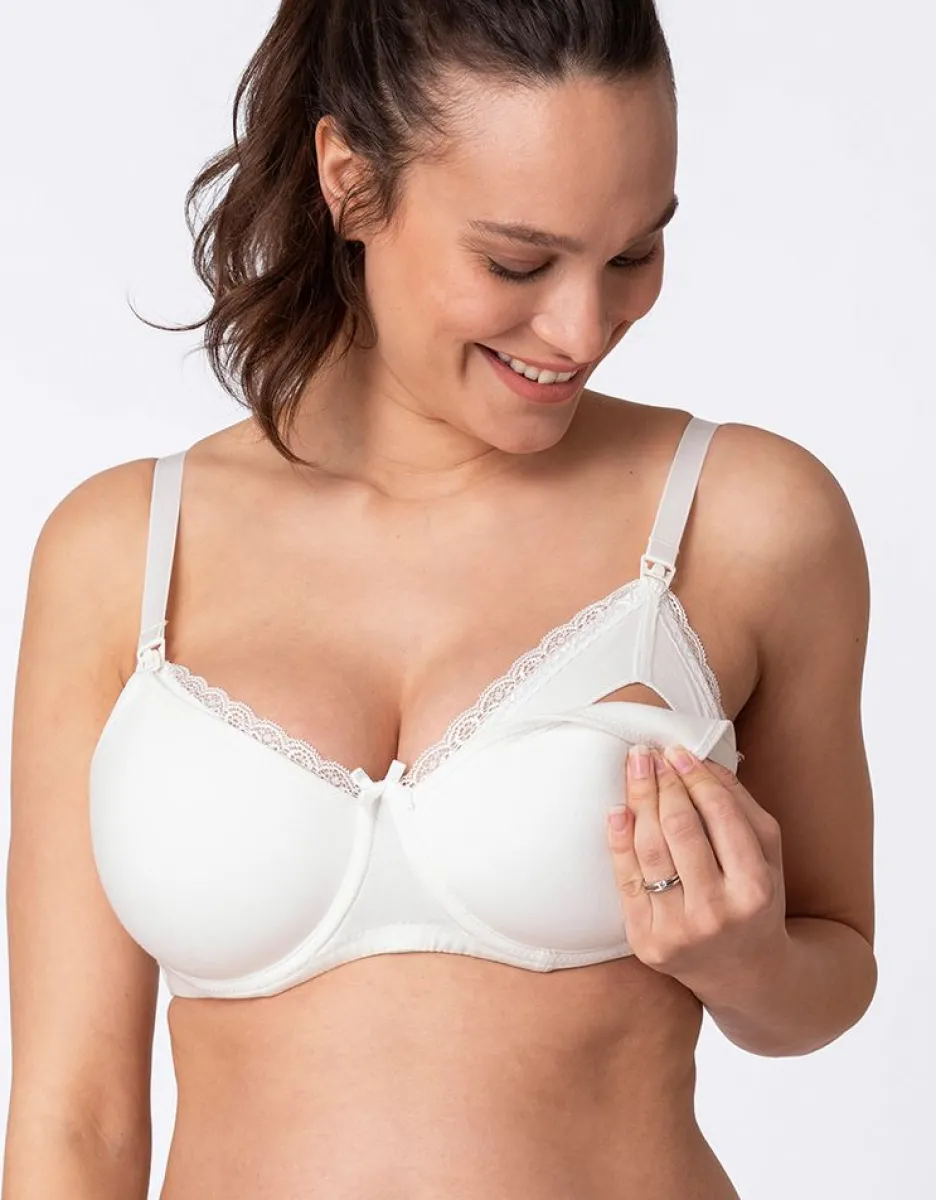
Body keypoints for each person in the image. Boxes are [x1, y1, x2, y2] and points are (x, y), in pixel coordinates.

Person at [3, 1, 877, 1197]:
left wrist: (748, 962)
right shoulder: (122, 552)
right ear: (351, 182)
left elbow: (835, 968)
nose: (582, 328)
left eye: (633, 254)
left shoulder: (747, 522)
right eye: (517, 262)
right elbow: (75, 1120)